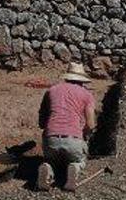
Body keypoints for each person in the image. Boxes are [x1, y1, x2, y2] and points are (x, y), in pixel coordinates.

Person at [36, 62, 97, 192]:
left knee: (52, 160)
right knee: (79, 159)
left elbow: (41, 122)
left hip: (51, 139)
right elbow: (91, 124)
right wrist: (84, 135)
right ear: (82, 81)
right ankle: (75, 167)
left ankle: (47, 167)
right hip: (73, 140)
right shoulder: (87, 95)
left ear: (67, 77)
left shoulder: (51, 90)